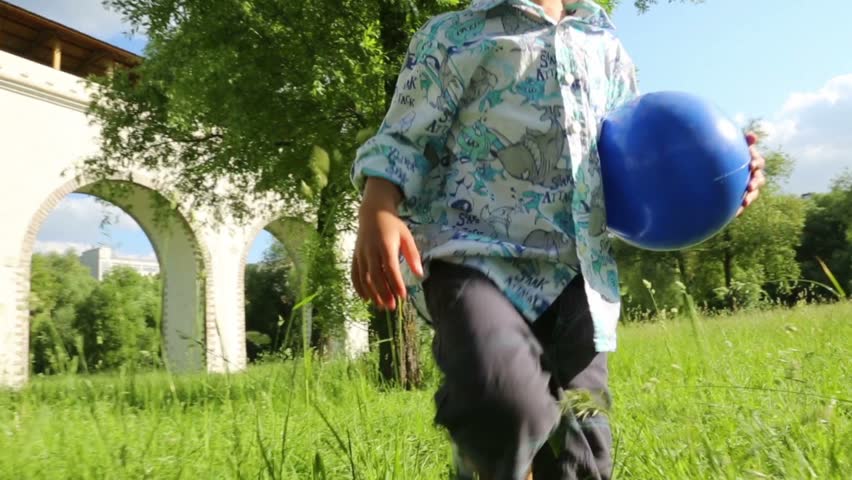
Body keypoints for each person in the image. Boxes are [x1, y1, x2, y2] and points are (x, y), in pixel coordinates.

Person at [349, 1, 766, 479]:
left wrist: (722, 176)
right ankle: (482, 455)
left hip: (577, 279)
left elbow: (635, 158)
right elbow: (404, 134)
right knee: (502, 401)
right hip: (474, 261)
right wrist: (379, 203)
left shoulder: (604, 45)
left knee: (583, 455)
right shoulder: (454, 35)